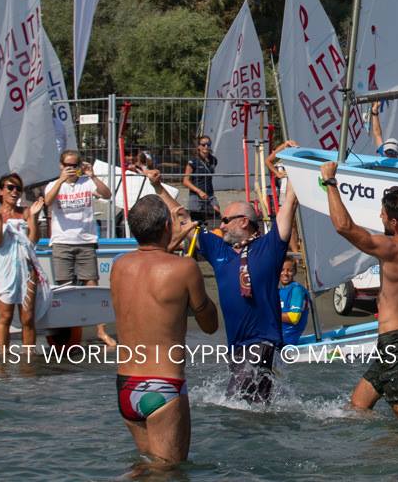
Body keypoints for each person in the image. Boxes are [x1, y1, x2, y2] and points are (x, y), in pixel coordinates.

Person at [170, 155, 297, 402]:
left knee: (234, 401)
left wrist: (293, 165)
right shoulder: (221, 252)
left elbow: (289, 204)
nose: (222, 225)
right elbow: (184, 218)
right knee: (256, 407)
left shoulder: (270, 246)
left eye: (226, 220)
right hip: (236, 347)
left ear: (244, 221)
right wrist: (156, 187)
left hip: (262, 341)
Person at [320, 160, 398, 419]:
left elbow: (344, 227)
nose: (380, 217)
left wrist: (329, 182)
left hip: (395, 342)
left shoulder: (391, 248)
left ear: (394, 222)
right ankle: (378, 456)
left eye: (383, 214)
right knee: (357, 407)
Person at [112, 194, 217, 466]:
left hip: (126, 385)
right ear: (167, 228)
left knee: (146, 466)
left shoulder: (119, 267)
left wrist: (171, 240)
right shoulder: (185, 268)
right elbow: (210, 325)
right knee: (169, 472)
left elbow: (150, 264)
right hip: (163, 386)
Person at [43, 148, 114, 345]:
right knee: (65, 288)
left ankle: (100, 330)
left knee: (91, 284)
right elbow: (47, 202)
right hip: (62, 242)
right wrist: (60, 180)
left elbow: (107, 194)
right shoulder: (52, 185)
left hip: (86, 240)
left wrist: (93, 175)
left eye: (75, 166)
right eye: (68, 166)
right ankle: (67, 333)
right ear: (61, 166)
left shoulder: (87, 182)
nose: (71, 169)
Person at [0, 172, 48, 350]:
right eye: (10, 187)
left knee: (27, 318)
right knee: (5, 316)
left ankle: (28, 359)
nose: (14, 192)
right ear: (0, 191)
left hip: (26, 267)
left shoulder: (26, 212)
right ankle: (1, 360)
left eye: (18, 189)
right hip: (5, 268)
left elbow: (33, 240)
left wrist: (34, 217)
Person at [182, 135, 220, 227]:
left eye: (208, 144)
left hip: (209, 195)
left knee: (216, 214)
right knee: (196, 222)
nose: (206, 147)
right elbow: (185, 181)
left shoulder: (213, 160)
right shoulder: (193, 161)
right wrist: (199, 191)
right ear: (198, 146)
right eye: (203, 144)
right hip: (196, 195)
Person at [278, 257, 310, 345]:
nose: (285, 273)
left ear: (295, 272)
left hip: (286, 340)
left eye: (289, 270)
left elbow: (294, 318)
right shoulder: (279, 290)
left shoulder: (297, 290)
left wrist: (269, 314)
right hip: (276, 335)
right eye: (282, 270)